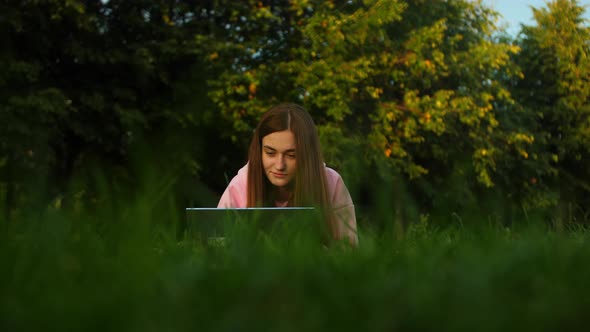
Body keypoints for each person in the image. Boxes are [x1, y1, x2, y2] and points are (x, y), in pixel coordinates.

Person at [217, 103, 358, 246]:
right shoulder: (241, 185)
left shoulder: (331, 183)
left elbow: (349, 253)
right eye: (270, 153)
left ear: (307, 155)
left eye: (291, 155)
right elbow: (216, 247)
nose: (279, 165)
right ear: (259, 151)